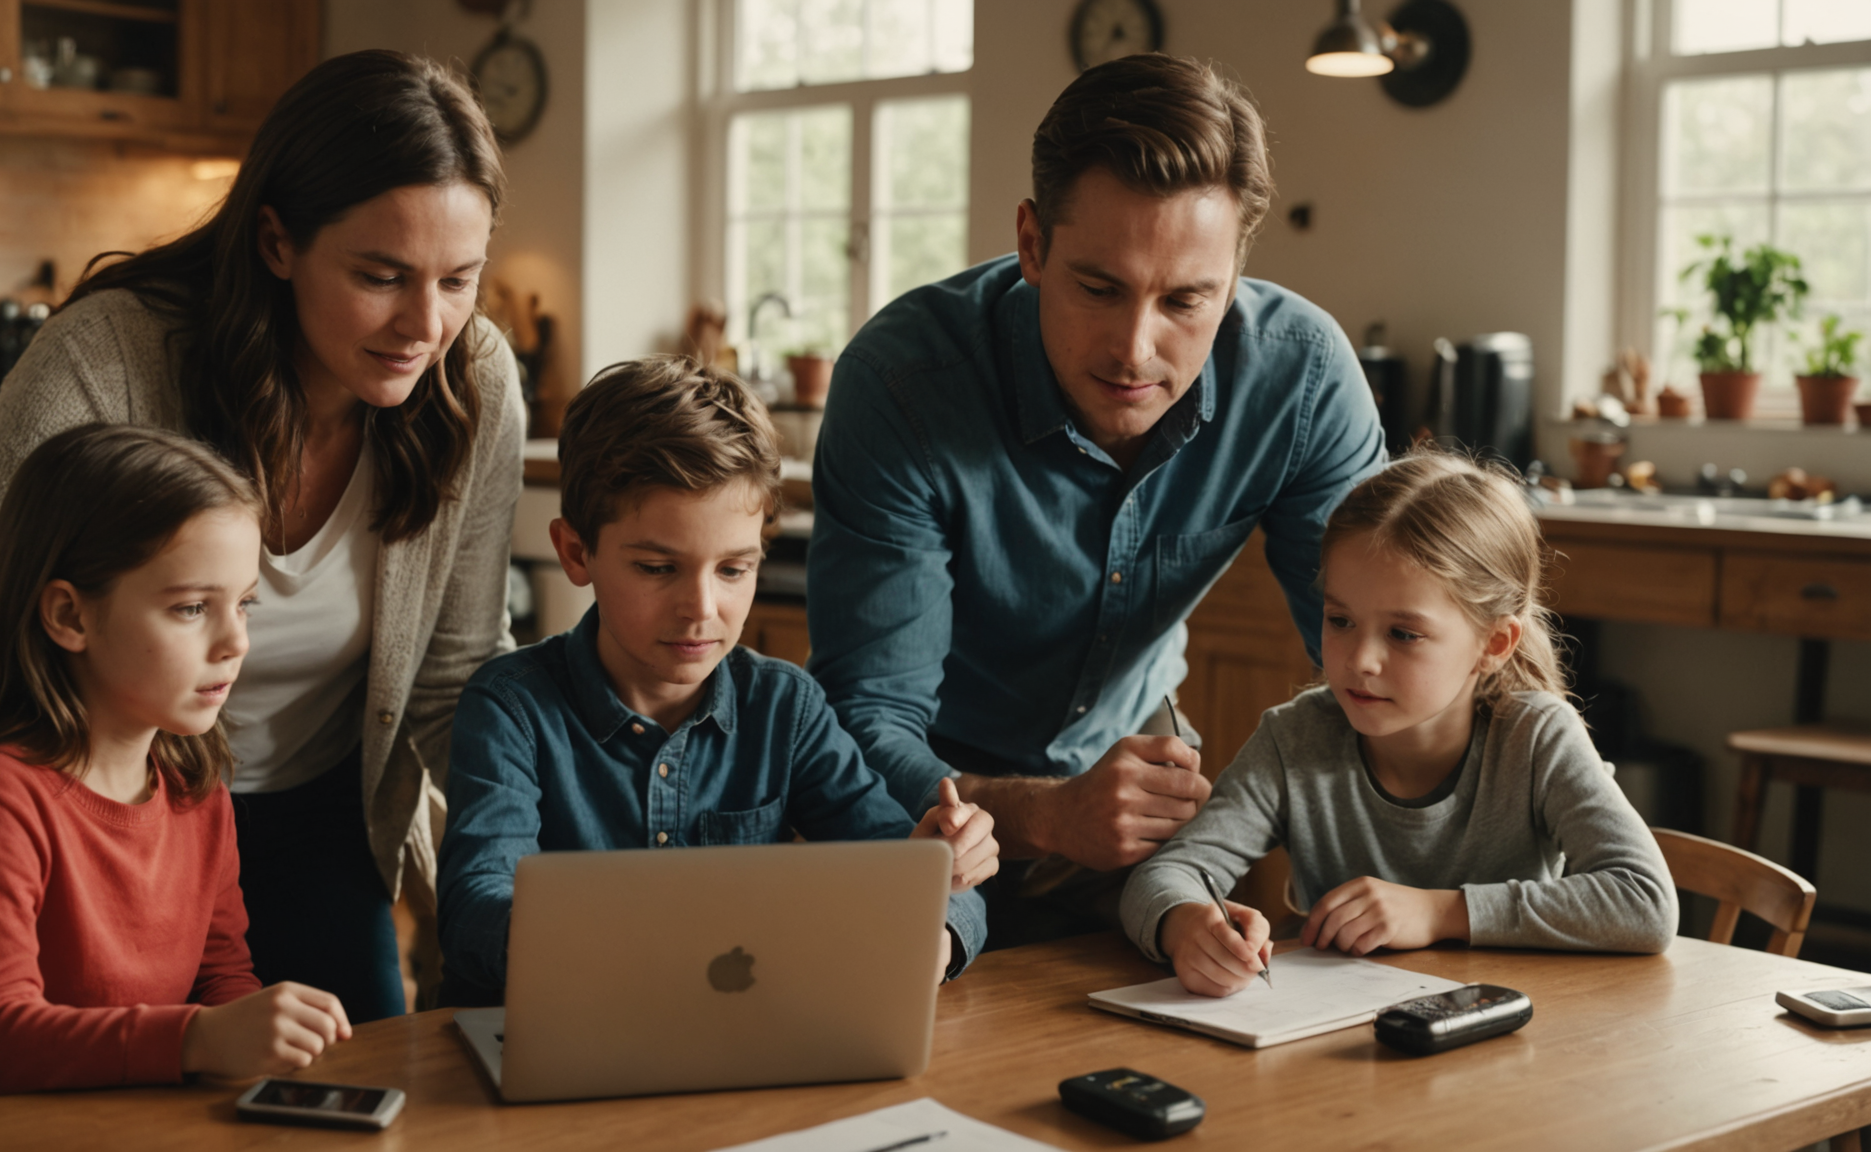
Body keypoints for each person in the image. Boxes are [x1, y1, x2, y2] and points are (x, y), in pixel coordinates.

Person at [0, 51, 526, 1022]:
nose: (426, 326)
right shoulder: (112, 359)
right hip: (79, 840)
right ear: (276, 241)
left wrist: (550, 837)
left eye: (460, 280)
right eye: (381, 276)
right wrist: (51, 828)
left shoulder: (473, 381)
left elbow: (453, 680)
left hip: (317, 823)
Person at [806, 53, 1386, 945]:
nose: (1135, 350)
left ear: (1235, 273)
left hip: (1134, 781)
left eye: (1187, 300)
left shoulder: (1299, 379)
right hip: (921, 809)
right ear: (1032, 243)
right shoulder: (904, 383)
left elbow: (1386, 651)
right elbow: (866, 722)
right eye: (1099, 288)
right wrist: (1045, 816)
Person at [437, 357, 998, 1006]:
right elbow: (476, 911)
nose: (701, 609)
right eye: (656, 567)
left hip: (732, 1046)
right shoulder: (511, 709)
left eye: (733, 570)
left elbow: (928, 882)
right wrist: (658, 952)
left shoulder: (786, 709)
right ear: (576, 552)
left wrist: (935, 896)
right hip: (538, 1044)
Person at [0, 425, 351, 1115]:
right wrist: (201, 1040)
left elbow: (222, 978)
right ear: (69, 615)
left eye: (244, 603)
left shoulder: (196, 788)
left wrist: (260, 1043)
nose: (235, 641)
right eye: (191, 608)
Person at [1120, 451, 1680, 998]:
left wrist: (1439, 911)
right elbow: (1165, 876)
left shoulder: (1536, 739)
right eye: (1340, 620)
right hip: (1340, 1046)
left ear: (1494, 643)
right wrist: (1187, 925)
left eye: (1403, 634)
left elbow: (1645, 903)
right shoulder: (1294, 740)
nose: (1360, 659)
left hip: (1507, 1046)